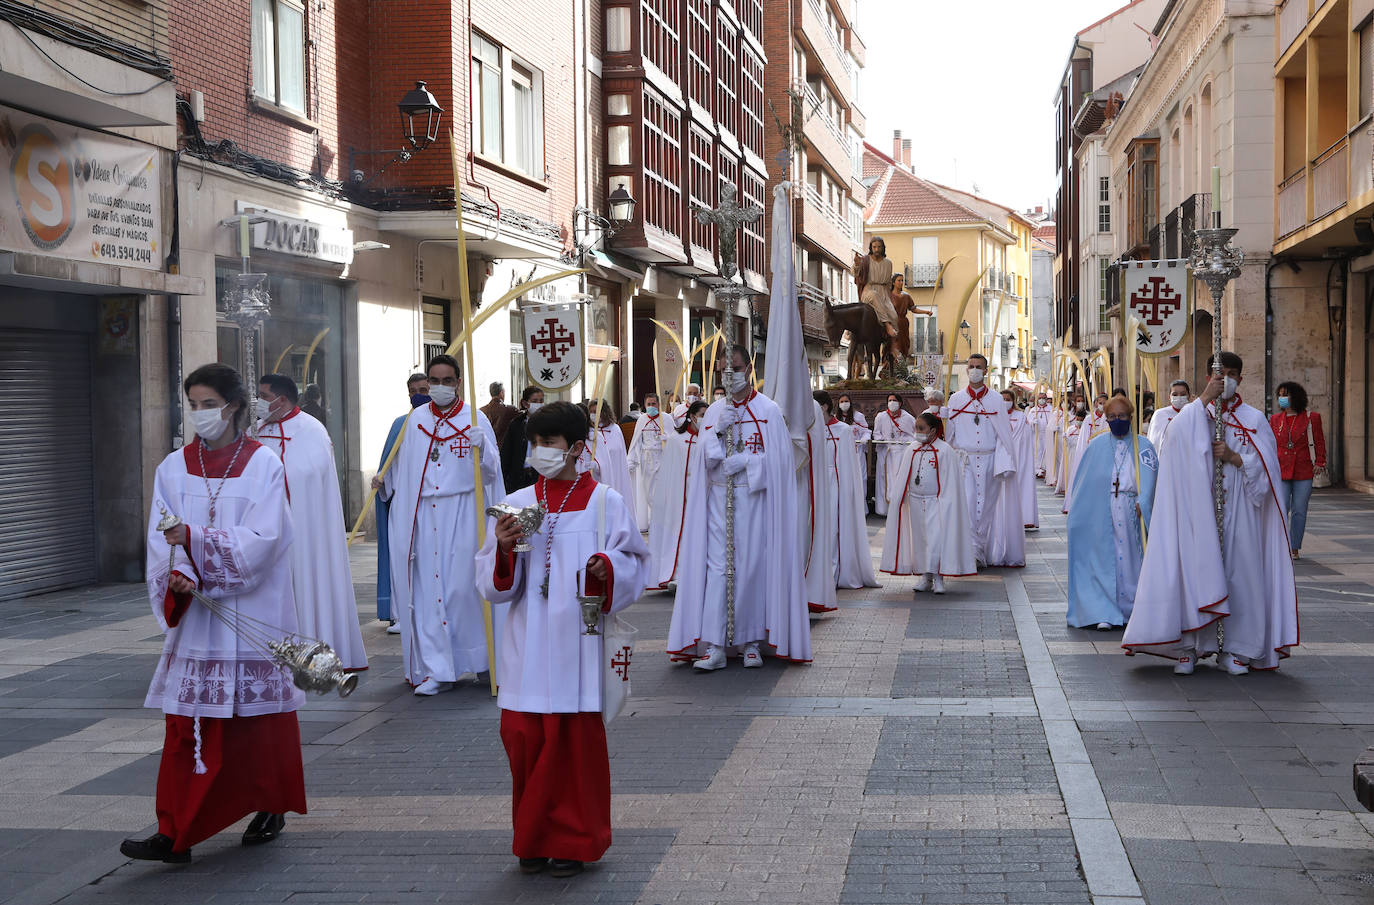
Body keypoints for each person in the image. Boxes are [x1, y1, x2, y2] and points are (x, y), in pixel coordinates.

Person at [123, 363, 305, 864]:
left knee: (257, 720)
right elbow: (163, 534)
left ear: (234, 406)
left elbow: (268, 539)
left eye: (209, 404)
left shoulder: (263, 464)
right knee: (187, 723)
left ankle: (270, 804)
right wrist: (180, 573)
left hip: (252, 609)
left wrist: (198, 546)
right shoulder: (172, 467)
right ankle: (175, 829)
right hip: (199, 616)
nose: (201, 414)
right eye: (194, 405)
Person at [475, 401, 649, 879]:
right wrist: (504, 550)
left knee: (571, 748)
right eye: (534, 443)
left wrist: (608, 568)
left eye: (548, 443)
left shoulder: (605, 501)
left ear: (576, 448)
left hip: (578, 641)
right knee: (524, 740)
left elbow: (635, 561)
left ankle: (572, 840)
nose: (538, 451)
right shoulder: (517, 502)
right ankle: (531, 837)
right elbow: (490, 587)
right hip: (527, 642)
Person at [1123, 353, 1299, 675]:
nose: (1226, 380)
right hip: (1199, 510)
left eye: (1232, 374)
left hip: (1241, 511)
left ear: (1240, 379)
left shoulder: (1254, 418)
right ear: (1209, 377)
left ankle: (1235, 649)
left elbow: (1271, 470)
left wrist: (1236, 458)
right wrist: (1204, 400)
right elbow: (1172, 443)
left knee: (1241, 576)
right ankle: (1189, 647)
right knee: (1194, 572)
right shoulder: (1195, 413)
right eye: (1220, 374)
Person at [667, 346, 811, 668]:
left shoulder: (768, 410)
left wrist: (746, 461)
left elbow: (782, 462)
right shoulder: (716, 410)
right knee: (718, 569)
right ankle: (716, 644)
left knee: (750, 568)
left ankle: (750, 641)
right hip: (719, 500)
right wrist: (717, 430)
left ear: (748, 368)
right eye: (722, 370)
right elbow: (703, 457)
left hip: (754, 500)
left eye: (733, 368)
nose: (727, 375)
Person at [373, 354, 505, 694]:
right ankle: (439, 670)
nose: (441, 387)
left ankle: (480, 661)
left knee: (463, 588)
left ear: (458, 382)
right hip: (425, 512)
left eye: (448, 381)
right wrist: (384, 482)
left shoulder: (475, 418)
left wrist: (484, 449)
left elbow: (492, 474)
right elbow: (405, 467)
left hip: (464, 511)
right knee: (429, 592)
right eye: (435, 381)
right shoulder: (416, 419)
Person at [255, 373, 367, 671]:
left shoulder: (311, 429)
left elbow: (309, 475)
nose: (259, 402)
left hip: (303, 528)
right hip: (263, 529)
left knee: (303, 583)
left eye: (264, 397)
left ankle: (308, 649)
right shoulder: (259, 429)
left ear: (282, 399)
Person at [1066, 395, 1157, 630]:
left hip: (1130, 511)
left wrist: (1143, 500)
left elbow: (1151, 478)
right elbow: (1083, 484)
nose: (1117, 420)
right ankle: (1104, 610)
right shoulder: (1096, 445)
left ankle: (1133, 608)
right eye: (1112, 417)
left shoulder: (1143, 445)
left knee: (1129, 559)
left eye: (1122, 416)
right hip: (1101, 512)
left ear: (1131, 417)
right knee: (1103, 560)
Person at [880, 411, 975, 593]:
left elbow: (950, 480)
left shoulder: (945, 450)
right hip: (916, 501)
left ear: (932, 430)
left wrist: (946, 502)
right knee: (921, 539)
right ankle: (925, 576)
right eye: (916, 428)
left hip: (936, 501)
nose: (917, 431)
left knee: (936, 539)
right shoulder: (912, 448)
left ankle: (939, 577)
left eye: (921, 428)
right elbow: (903, 476)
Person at [945, 355, 1023, 567]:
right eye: (971, 366)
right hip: (966, 461)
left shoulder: (996, 399)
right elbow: (949, 435)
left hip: (990, 459)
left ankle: (984, 550)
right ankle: (972, 552)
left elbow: (1004, 434)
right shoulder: (956, 399)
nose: (974, 370)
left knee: (987, 505)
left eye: (979, 367)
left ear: (986, 371)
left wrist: (1005, 461)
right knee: (969, 504)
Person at [377, 373, 429, 633]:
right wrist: (382, 481)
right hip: (402, 502)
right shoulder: (401, 424)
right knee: (401, 558)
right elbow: (390, 465)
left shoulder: (441, 423)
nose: (417, 394)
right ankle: (400, 614)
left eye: (423, 389)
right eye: (413, 391)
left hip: (431, 501)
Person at [816, 392, 879, 591]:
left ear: (824, 406)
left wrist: (847, 490)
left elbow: (847, 464)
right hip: (816, 483)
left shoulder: (843, 430)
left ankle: (834, 573)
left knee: (834, 528)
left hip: (836, 483)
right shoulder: (810, 429)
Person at [648, 400, 708, 590]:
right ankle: (675, 572)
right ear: (692, 416)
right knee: (678, 531)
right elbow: (669, 471)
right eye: (702, 415)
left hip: (700, 493)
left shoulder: (708, 439)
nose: (704, 420)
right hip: (679, 495)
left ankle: (696, 572)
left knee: (698, 532)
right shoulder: (676, 439)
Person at [1271, 380, 1325, 559]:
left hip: (1303, 469)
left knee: (1299, 509)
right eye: (1280, 395)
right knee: (1281, 507)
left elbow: (1319, 442)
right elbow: (1269, 444)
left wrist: (1320, 462)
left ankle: (1294, 547)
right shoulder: (1275, 419)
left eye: (1285, 394)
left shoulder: (1312, 418)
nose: (1282, 398)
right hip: (1281, 469)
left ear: (1296, 396)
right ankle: (1281, 544)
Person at [577, 403, 634, 508]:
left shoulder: (615, 429)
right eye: (592, 412)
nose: (594, 414)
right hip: (592, 478)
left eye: (597, 411)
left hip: (615, 472)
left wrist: (599, 465)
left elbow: (619, 453)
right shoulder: (589, 433)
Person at [627, 393, 667, 531]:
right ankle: (651, 520)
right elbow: (636, 441)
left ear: (658, 404)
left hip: (662, 458)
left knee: (660, 490)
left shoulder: (666, 419)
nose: (651, 407)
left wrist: (666, 438)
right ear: (644, 405)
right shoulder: (642, 420)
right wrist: (632, 459)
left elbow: (675, 439)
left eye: (653, 404)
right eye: (648, 404)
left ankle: (660, 520)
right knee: (648, 491)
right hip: (646, 458)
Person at [1063, 393, 1110, 512]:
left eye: (1105, 403)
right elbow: (1083, 438)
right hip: (1091, 451)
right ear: (1095, 404)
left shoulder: (1109, 418)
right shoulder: (1089, 419)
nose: (1102, 405)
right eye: (1100, 403)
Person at [873, 392, 916, 516]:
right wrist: (881, 439)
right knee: (884, 479)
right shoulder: (881, 417)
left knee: (900, 479)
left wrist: (904, 441)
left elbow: (913, 435)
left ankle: (901, 508)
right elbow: (876, 433)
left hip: (902, 453)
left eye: (894, 400)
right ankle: (883, 509)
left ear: (900, 403)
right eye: (890, 400)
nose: (892, 403)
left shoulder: (908, 418)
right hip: (886, 452)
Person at [1002, 389, 1039, 530]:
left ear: (1013, 400)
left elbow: (1025, 436)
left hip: (1019, 456)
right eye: (1003, 399)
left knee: (1020, 484)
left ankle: (1024, 517)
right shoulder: (996, 415)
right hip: (1002, 455)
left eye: (1008, 399)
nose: (1005, 402)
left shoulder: (1021, 416)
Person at [500, 386, 545, 494]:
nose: (538, 404)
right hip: (518, 477)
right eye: (534, 401)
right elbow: (506, 453)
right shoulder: (516, 424)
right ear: (525, 404)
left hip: (539, 476)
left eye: (541, 401)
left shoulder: (548, 424)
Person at [853, 237, 899, 340]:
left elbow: (888, 283)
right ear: (871, 248)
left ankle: (892, 345)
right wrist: (856, 264)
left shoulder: (888, 263)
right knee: (874, 295)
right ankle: (887, 325)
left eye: (879, 247)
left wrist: (889, 298)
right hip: (868, 290)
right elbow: (856, 274)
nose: (877, 249)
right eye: (874, 247)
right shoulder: (865, 260)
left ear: (883, 248)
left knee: (894, 316)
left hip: (884, 292)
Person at [836, 393, 871, 510]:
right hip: (842, 453)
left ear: (850, 403)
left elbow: (866, 431)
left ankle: (861, 508)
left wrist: (864, 439)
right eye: (841, 402)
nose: (844, 404)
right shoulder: (836, 418)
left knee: (860, 478)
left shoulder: (858, 416)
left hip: (857, 452)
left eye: (846, 401)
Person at [1147, 380, 1190, 451]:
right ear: (1169, 397)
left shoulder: (1193, 414)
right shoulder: (1160, 414)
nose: (1179, 397)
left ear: (1189, 396)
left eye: (1183, 394)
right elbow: (1154, 440)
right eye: (1175, 394)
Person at [1057, 406, 1087, 503]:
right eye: (1077, 419)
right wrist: (1066, 438)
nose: (1079, 421)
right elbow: (1067, 444)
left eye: (1081, 420)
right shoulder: (1070, 429)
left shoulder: (1086, 430)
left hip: (1082, 454)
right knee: (1070, 471)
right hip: (1071, 454)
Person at [1027, 392, 1056, 479]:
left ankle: (1046, 470)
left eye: (1043, 398)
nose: (1042, 400)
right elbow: (1027, 423)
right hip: (1037, 434)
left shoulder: (1051, 409)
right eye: (1040, 398)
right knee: (1037, 452)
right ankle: (1037, 470)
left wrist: (1053, 427)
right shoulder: (1033, 410)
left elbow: (1054, 421)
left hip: (1048, 434)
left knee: (1046, 452)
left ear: (1046, 399)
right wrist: (1032, 423)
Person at [481, 381, 520, 445]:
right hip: (504, 449)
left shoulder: (481, 411)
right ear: (501, 392)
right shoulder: (511, 410)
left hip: (487, 449)